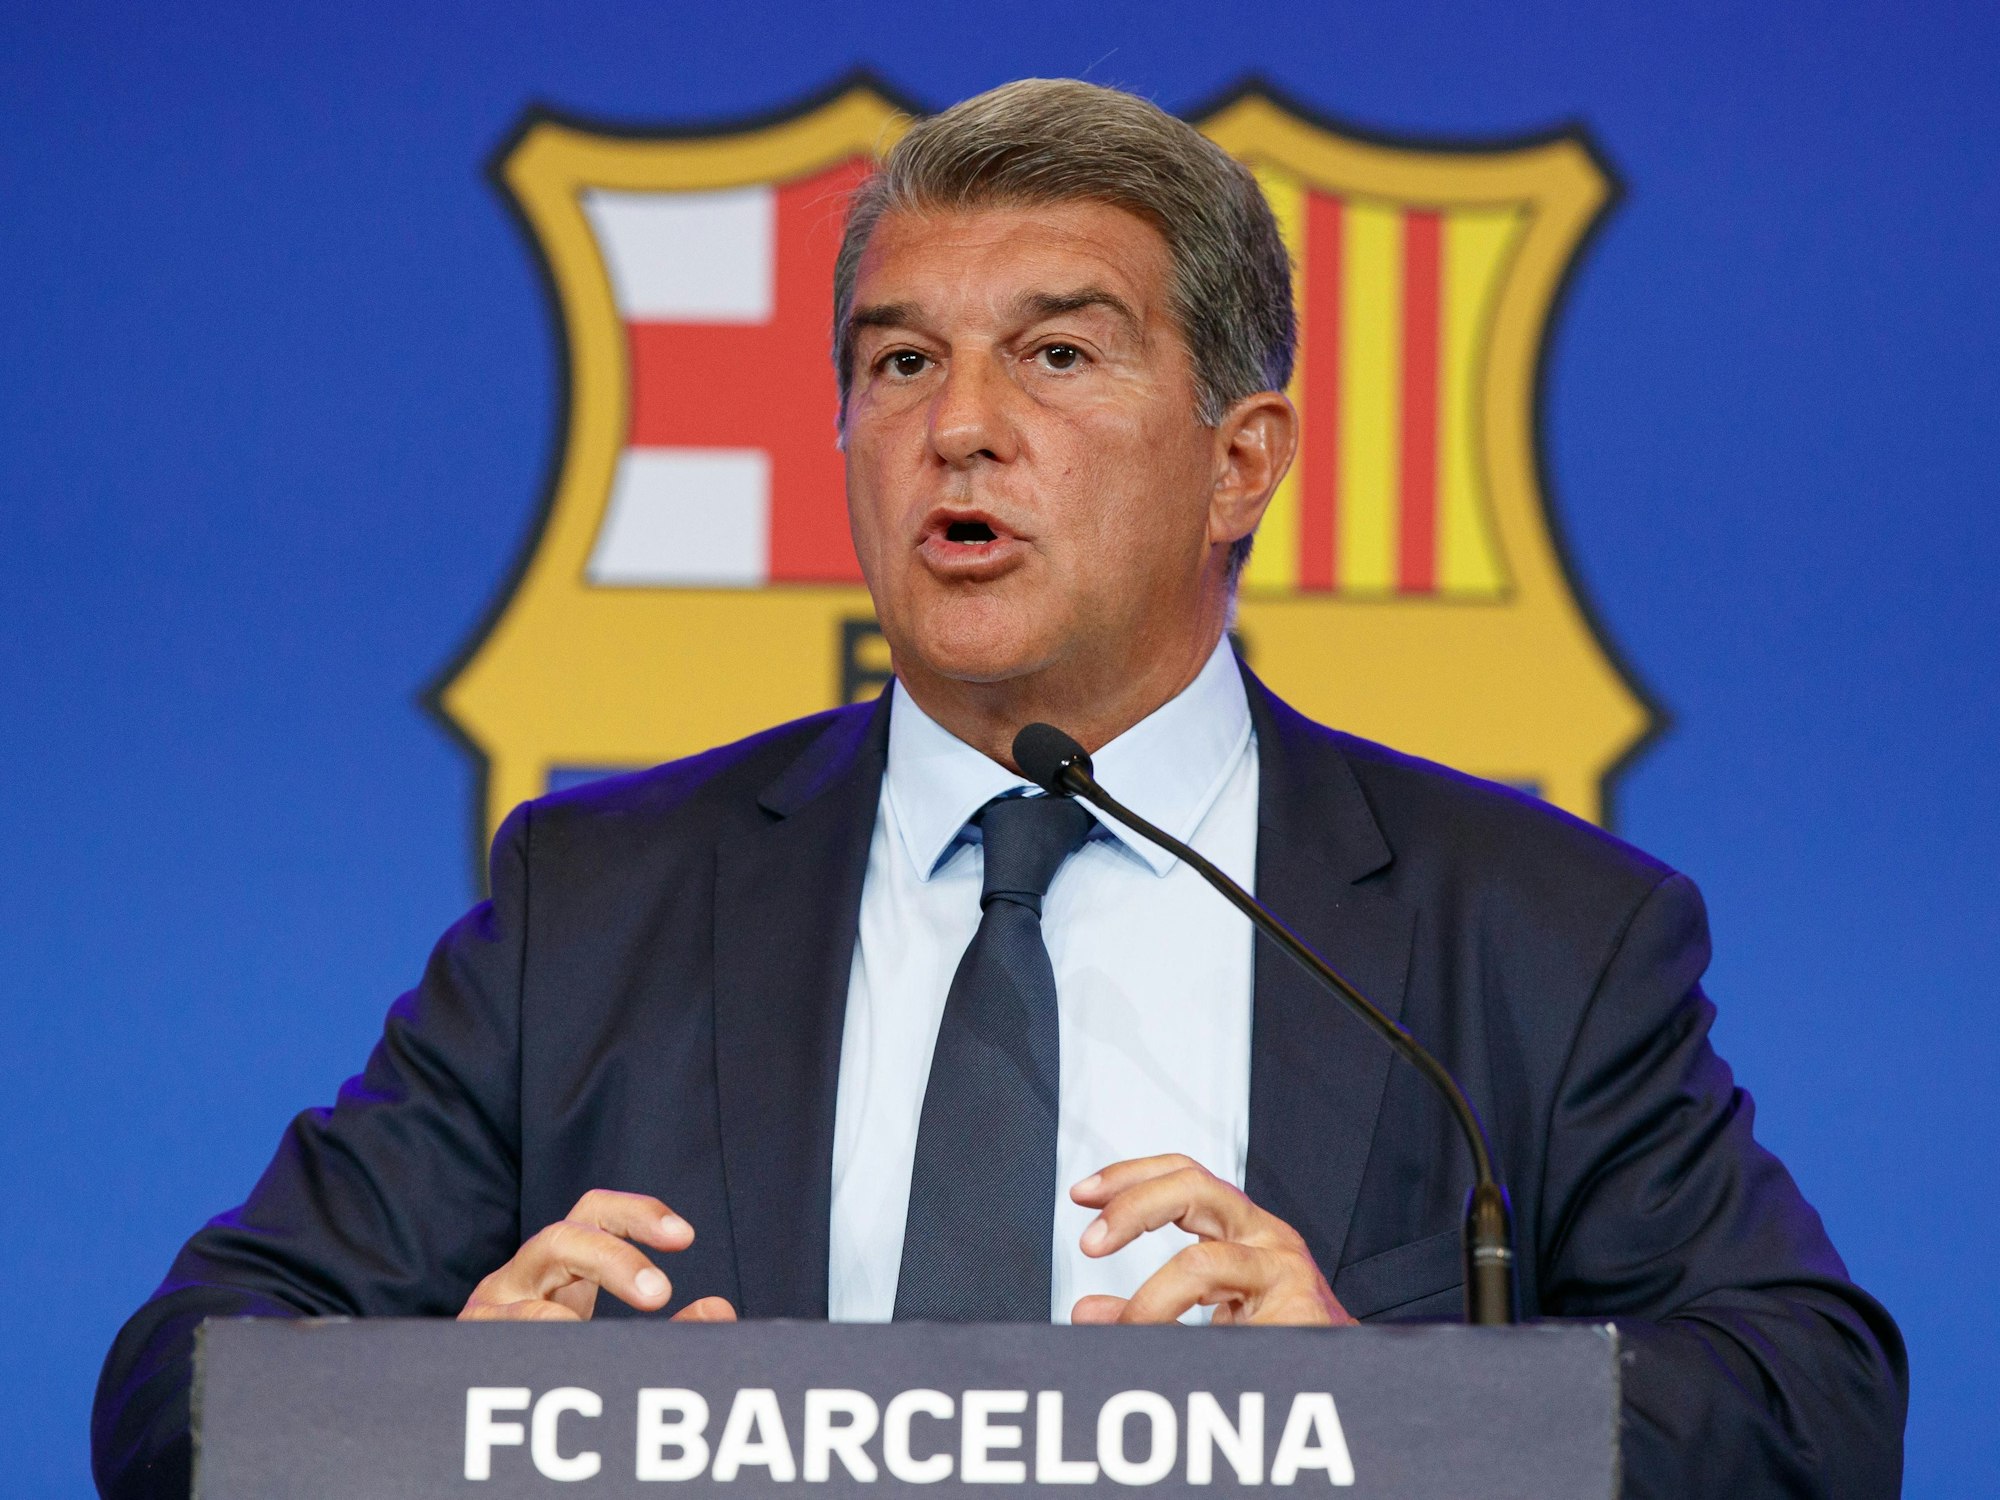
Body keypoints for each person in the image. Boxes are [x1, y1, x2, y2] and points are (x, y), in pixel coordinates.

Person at [93, 78, 1905, 1496]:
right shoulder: (601, 897)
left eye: (1056, 352)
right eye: (900, 362)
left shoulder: (1530, 931)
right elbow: (177, 1387)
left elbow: (1814, 1402)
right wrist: (437, 1414)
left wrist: (1387, 1413)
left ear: (1240, 462)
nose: (959, 424)